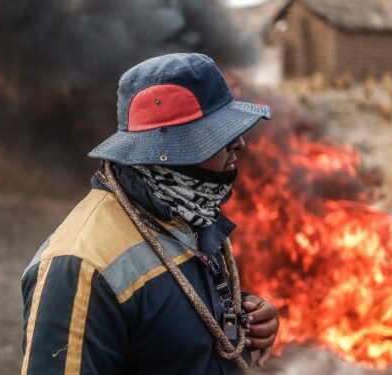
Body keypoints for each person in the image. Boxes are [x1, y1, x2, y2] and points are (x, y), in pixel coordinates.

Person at [21, 53, 279, 375]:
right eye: (218, 134)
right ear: (170, 150)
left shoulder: (185, 213)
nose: (239, 144)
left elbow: (171, 311)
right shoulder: (81, 267)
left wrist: (248, 315)